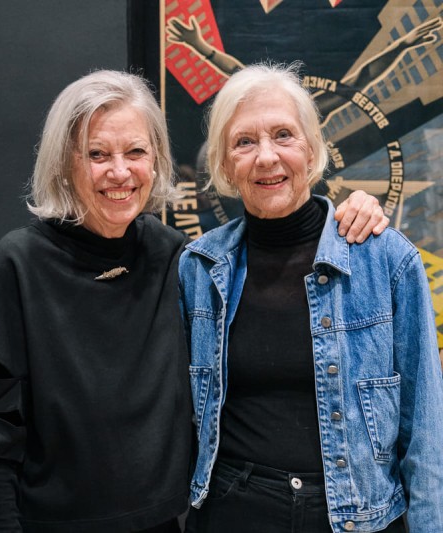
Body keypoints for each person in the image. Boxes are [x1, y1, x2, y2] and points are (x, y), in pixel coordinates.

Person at [0, 69, 387, 532]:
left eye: (136, 152)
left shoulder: (175, 258)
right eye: (97, 154)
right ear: (65, 164)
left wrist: (353, 208)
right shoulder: (18, 263)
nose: (120, 172)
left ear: (157, 159)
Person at [178, 62, 443, 533]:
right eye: (244, 142)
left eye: (284, 135)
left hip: (356, 518)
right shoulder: (198, 267)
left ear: (313, 149)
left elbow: (425, 432)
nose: (266, 157)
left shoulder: (385, 260)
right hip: (233, 513)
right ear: (223, 164)